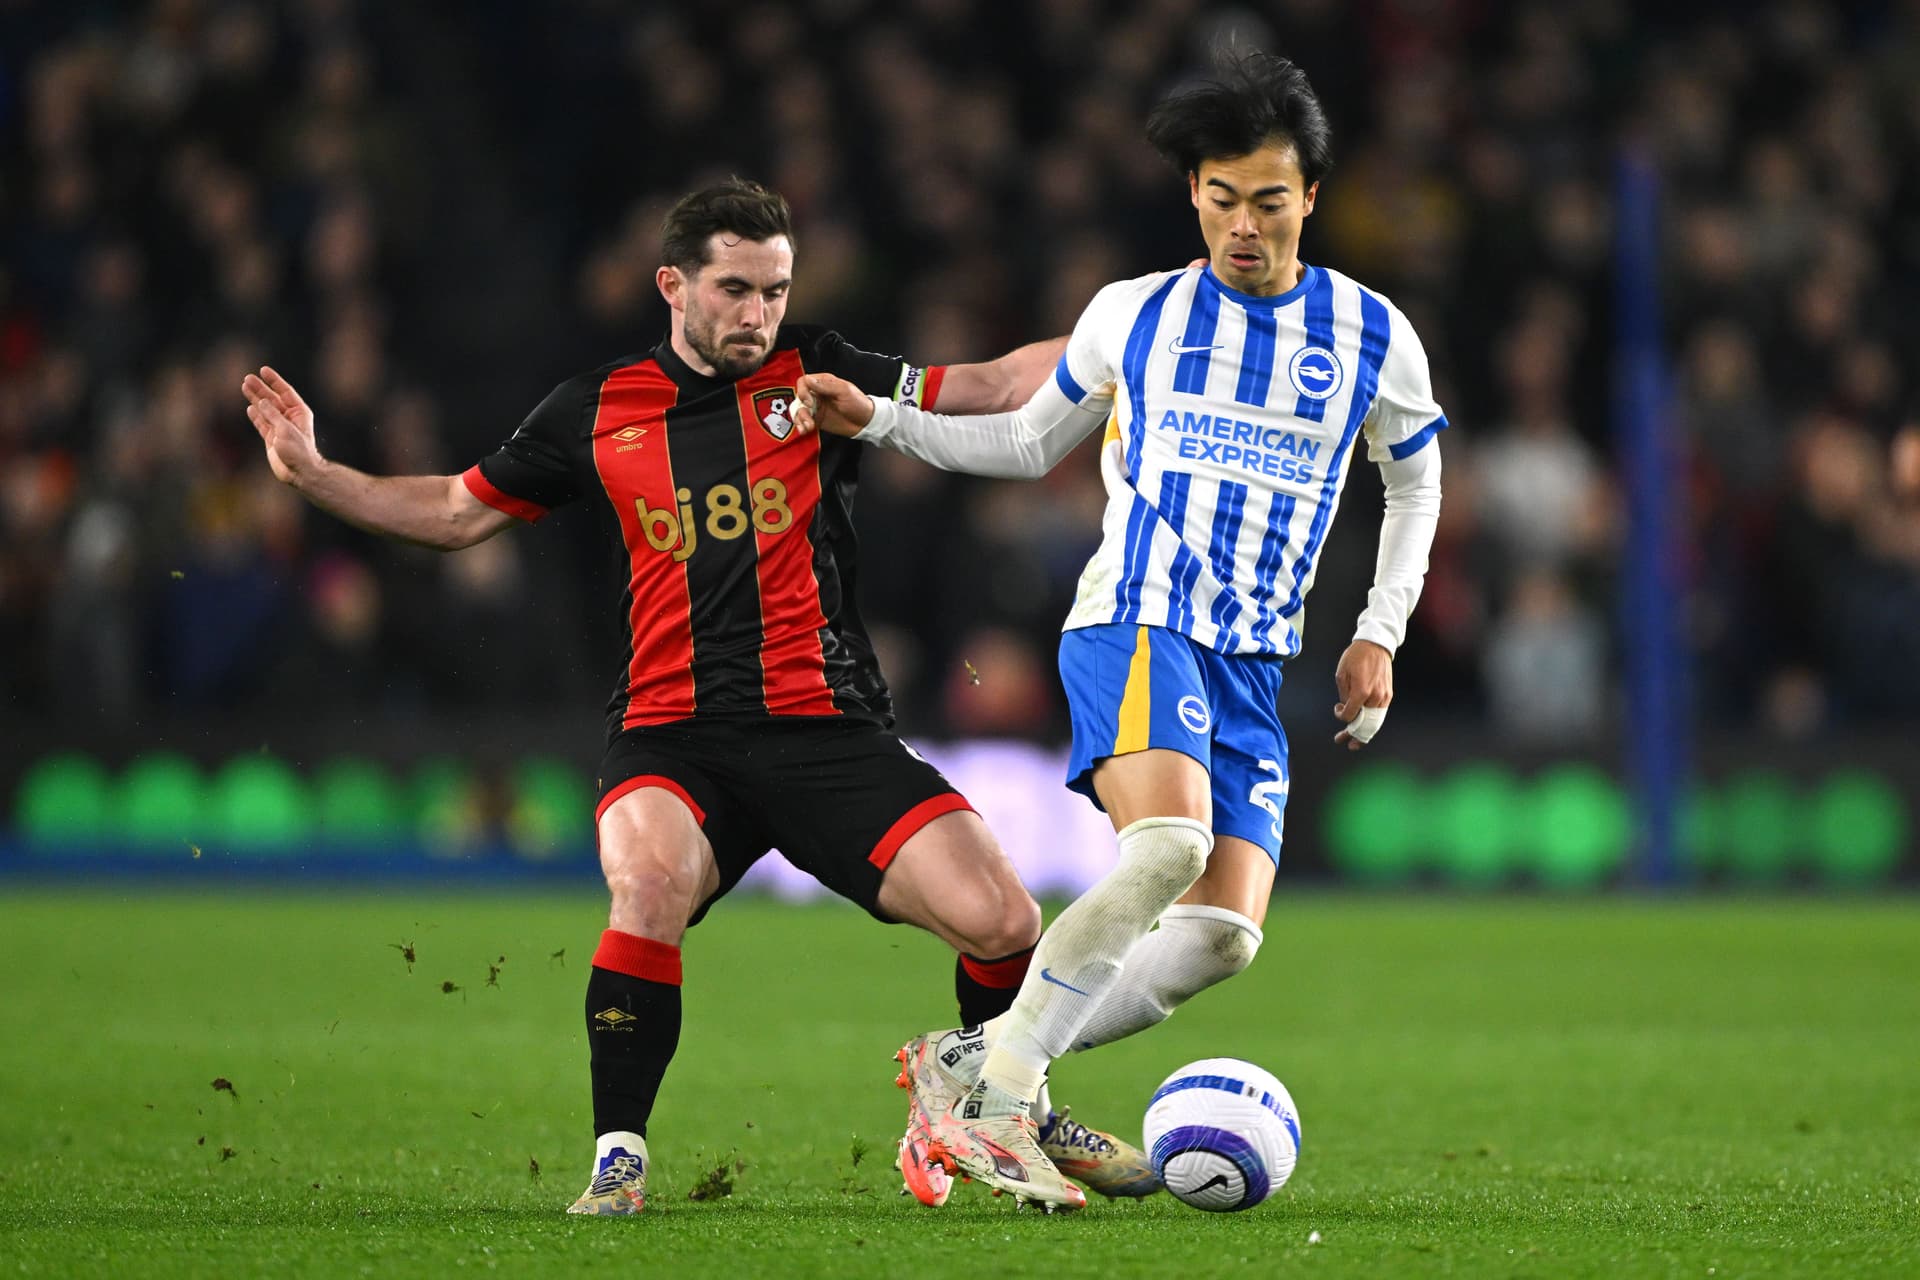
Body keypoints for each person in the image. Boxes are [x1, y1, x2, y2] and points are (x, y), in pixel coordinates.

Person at [239, 178, 1153, 1216]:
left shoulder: (820, 369)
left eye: (775, 289)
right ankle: (618, 1158)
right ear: (673, 284)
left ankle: (1004, 1103)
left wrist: (1128, 354)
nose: (757, 313)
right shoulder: (593, 409)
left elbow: (988, 384)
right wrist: (314, 474)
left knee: (1002, 916)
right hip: (673, 736)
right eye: (734, 289)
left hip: (826, 729)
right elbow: (453, 510)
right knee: (647, 885)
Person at [794, 49, 1447, 1211]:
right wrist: (887, 420)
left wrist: (1379, 629)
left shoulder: (1372, 333)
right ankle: (1003, 1101)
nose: (1242, 223)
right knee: (1168, 850)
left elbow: (1414, 483)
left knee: (1217, 939)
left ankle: (969, 1055)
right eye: (1219, 196)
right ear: (1193, 193)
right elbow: (1028, 442)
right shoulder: (1133, 314)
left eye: (1266, 197)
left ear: (1310, 195)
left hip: (1252, 659)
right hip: (1138, 617)